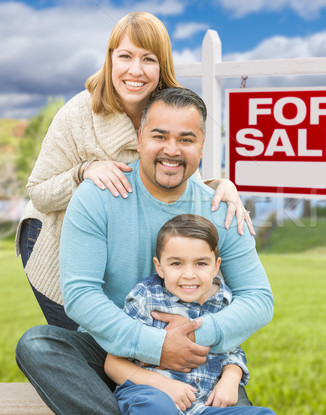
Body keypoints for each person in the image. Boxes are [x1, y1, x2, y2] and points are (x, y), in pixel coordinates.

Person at [16, 87, 273, 415]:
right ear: (139, 139)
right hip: (113, 350)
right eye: (159, 136)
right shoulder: (98, 196)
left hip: (195, 356)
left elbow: (259, 299)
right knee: (38, 345)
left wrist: (195, 336)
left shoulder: (221, 208)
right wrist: (156, 345)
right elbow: (80, 294)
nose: (172, 149)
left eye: (186, 139)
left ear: (202, 146)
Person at [15, 11, 253, 330]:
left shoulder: (170, 109)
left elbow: (178, 179)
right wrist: (82, 171)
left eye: (148, 59)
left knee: (131, 342)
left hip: (121, 249)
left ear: (161, 66)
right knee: (92, 347)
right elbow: (40, 193)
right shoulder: (78, 114)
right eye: (125, 56)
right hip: (53, 241)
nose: (135, 70)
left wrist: (220, 184)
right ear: (111, 59)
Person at [105, 214, 275, 415]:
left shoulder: (223, 299)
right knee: (156, 407)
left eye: (201, 264)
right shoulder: (147, 296)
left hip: (201, 406)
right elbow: (113, 363)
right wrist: (162, 384)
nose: (188, 274)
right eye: (176, 263)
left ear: (216, 267)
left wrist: (231, 378)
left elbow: (232, 351)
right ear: (159, 267)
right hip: (149, 393)